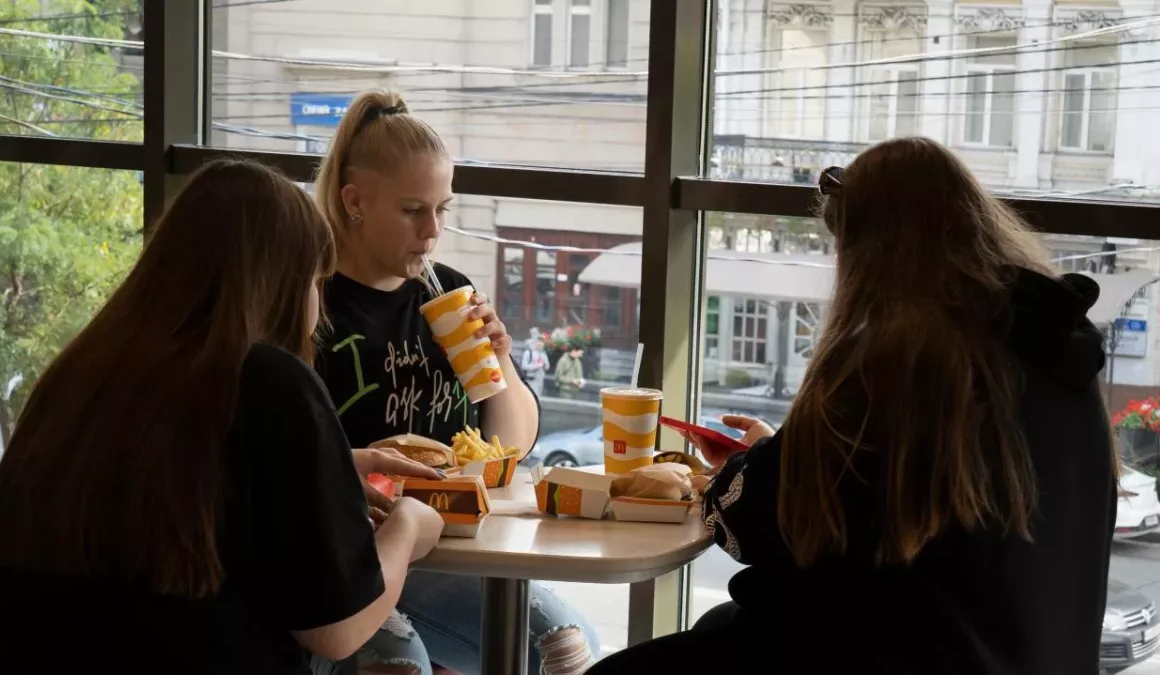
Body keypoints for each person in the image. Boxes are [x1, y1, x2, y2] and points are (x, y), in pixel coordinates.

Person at [589, 137, 1117, 675]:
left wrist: (746, 472)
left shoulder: (900, 363)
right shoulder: (1054, 347)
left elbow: (754, 527)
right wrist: (786, 456)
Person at [0, 159, 446, 675]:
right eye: (316, 280)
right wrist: (409, 525)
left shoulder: (81, 370)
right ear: (281, 283)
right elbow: (337, 629)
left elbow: (169, 479)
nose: (318, 302)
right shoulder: (270, 379)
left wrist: (322, 468)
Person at [313, 89, 599, 675]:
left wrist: (499, 363)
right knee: (399, 663)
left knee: (567, 645)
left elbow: (510, 445)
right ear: (355, 201)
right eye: (412, 210)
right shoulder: (309, 302)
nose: (433, 229)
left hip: (453, 535)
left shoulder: (446, 289)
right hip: (349, 543)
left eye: (442, 209)